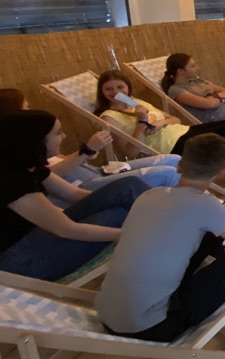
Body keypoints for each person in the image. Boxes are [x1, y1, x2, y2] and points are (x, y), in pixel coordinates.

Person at [96, 134, 225, 348]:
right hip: (154, 325)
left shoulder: (148, 196)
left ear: (180, 166)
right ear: (221, 171)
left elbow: (184, 218)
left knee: (210, 236)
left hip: (109, 314)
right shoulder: (204, 205)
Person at [0, 110, 148, 280]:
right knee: (117, 216)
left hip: (42, 236)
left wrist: (117, 198)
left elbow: (75, 194)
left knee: (128, 186)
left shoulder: (29, 167)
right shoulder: (11, 181)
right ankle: (163, 232)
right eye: (58, 133)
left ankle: (167, 221)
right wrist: (131, 234)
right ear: (36, 140)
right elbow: (67, 230)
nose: (64, 136)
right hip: (22, 261)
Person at [95, 70, 225, 186]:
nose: (115, 92)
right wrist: (141, 122)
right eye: (108, 89)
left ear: (127, 88)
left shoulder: (137, 102)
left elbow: (174, 118)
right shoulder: (109, 117)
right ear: (102, 92)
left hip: (184, 131)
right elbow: (131, 152)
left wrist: (159, 122)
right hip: (171, 146)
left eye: (120, 87)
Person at [0, 87, 180, 191]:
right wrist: (86, 151)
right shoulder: (16, 148)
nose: (116, 92)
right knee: (168, 173)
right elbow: (42, 176)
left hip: (96, 171)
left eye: (120, 87)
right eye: (26, 108)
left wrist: (84, 155)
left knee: (174, 159)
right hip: (88, 184)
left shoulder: (31, 139)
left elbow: (54, 162)